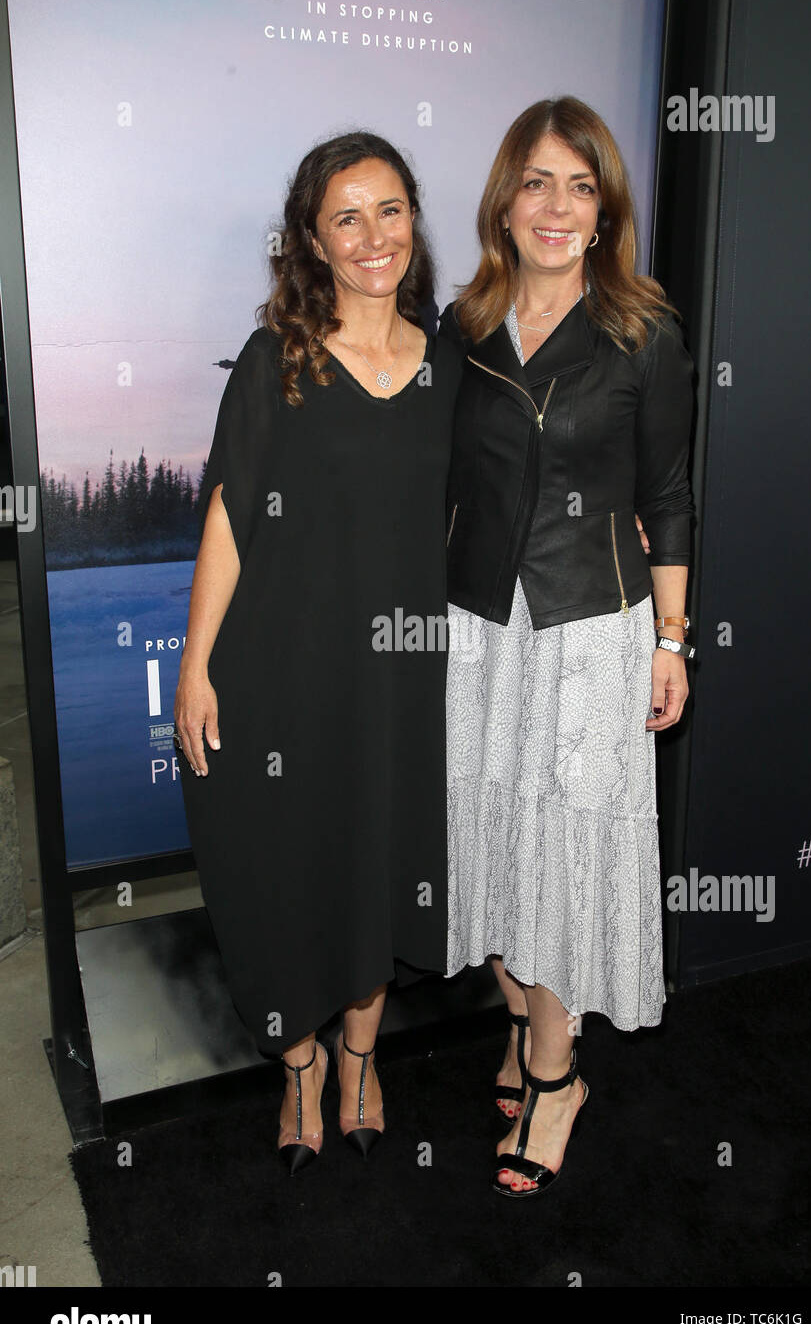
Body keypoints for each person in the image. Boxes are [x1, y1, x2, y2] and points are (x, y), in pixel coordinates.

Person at [174, 132, 462, 1174]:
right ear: (312, 239)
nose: (372, 235)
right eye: (347, 216)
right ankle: (296, 1063)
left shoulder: (451, 371)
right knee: (283, 864)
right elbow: (229, 517)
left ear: (413, 223)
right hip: (280, 669)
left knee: (377, 863)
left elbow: (482, 514)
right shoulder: (276, 362)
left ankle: (357, 1057)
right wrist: (196, 662)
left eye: (389, 209)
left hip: (398, 680)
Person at [439, 96, 696, 1197]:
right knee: (491, 842)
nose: (555, 206)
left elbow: (671, 496)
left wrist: (673, 639)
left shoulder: (644, 330)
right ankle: (522, 1024)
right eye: (536, 182)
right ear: (505, 200)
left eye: (579, 186)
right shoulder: (461, 326)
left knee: (563, 855)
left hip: (594, 629)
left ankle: (556, 1075)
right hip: (480, 629)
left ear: (605, 211)